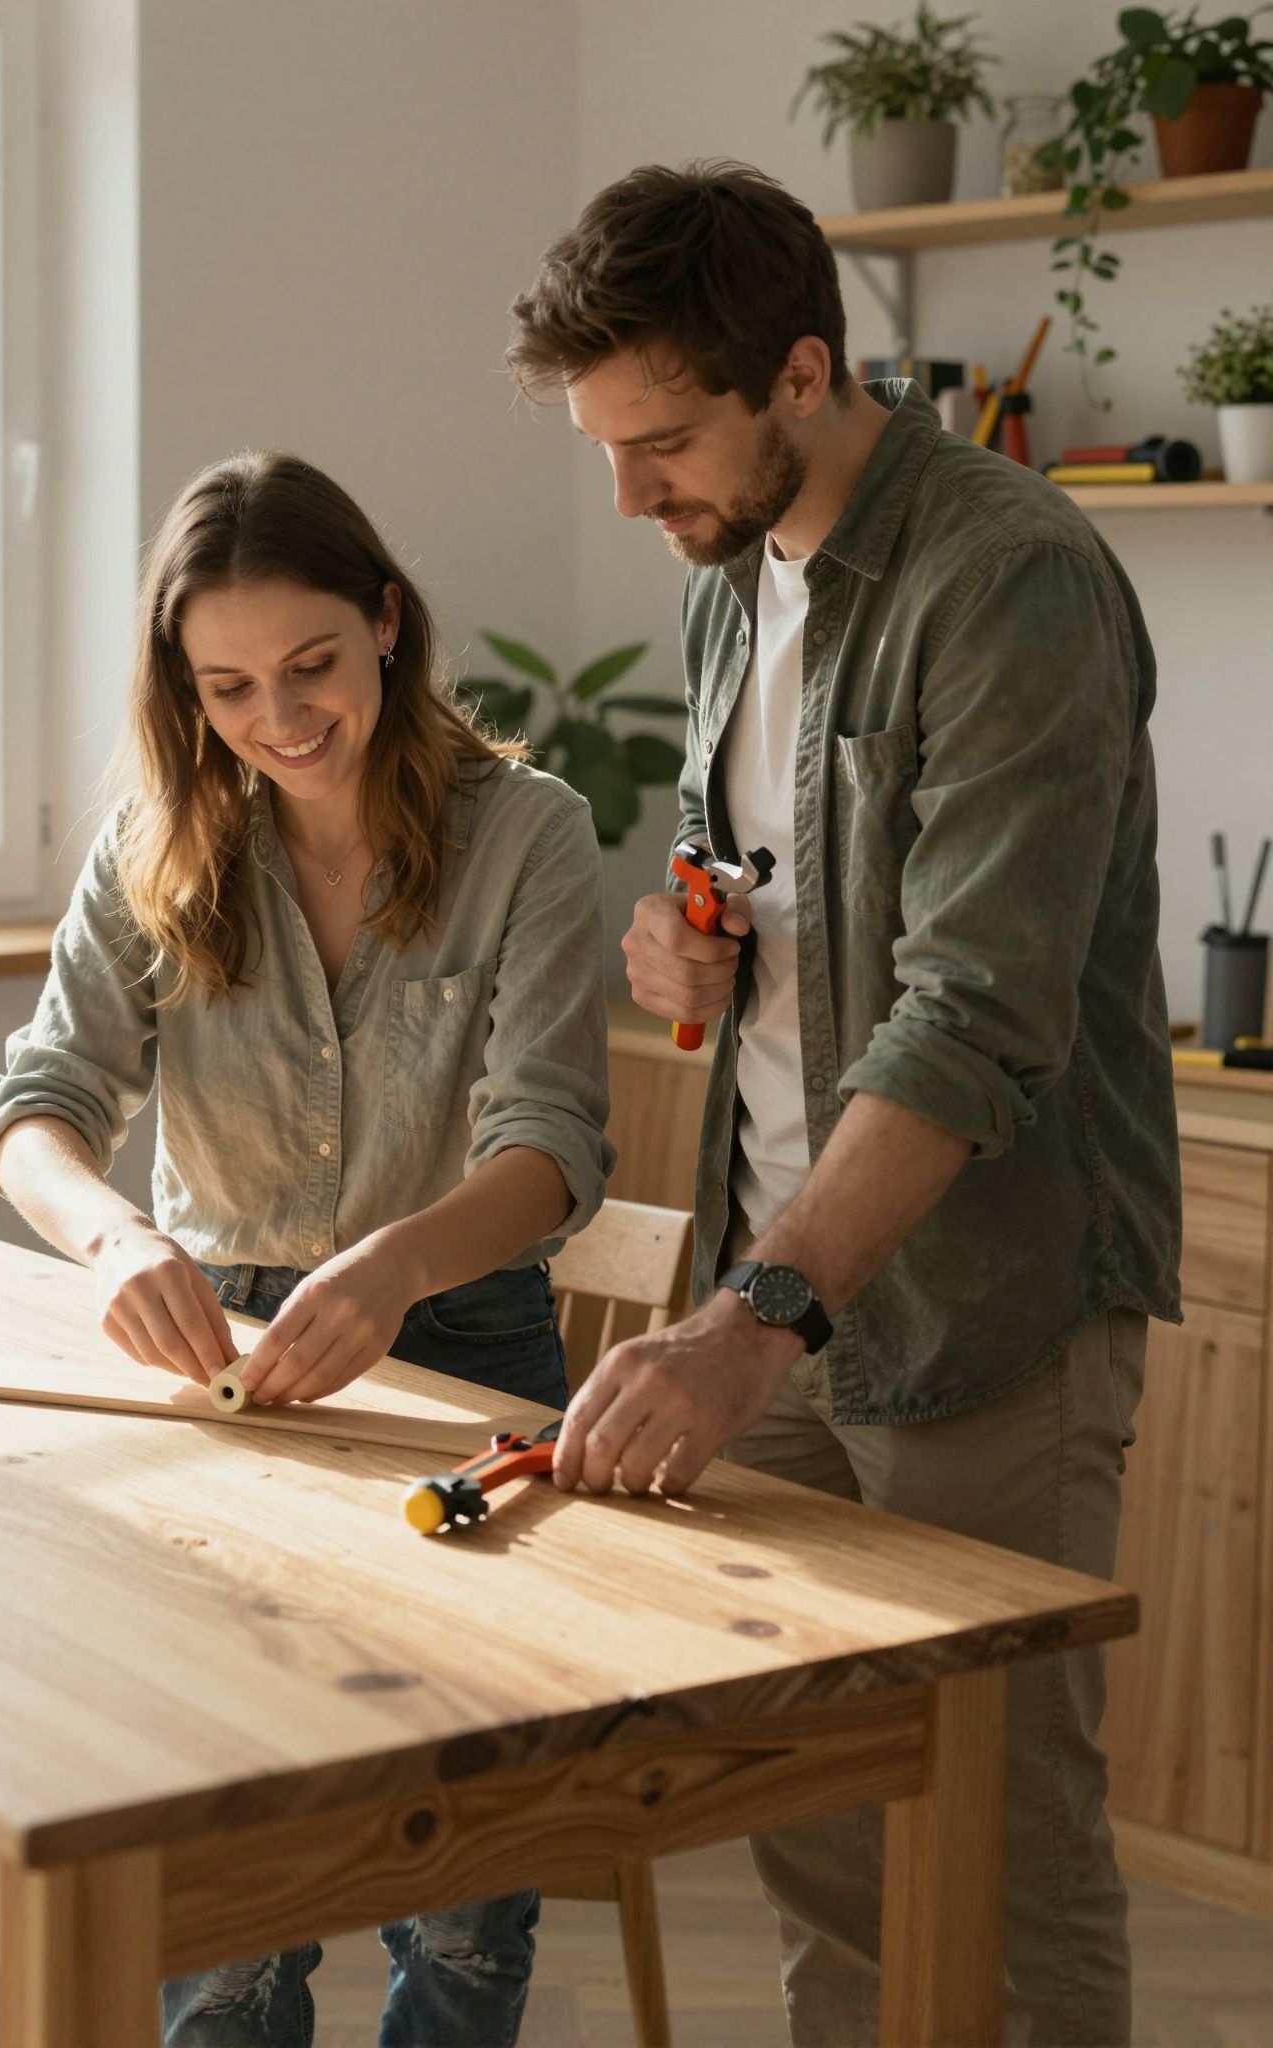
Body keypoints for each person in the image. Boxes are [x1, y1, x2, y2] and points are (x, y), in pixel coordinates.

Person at [506, 159, 1181, 2048]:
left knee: (1002, 1845)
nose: (633, 497)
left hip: (976, 1314)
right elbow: (782, 890)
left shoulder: (1012, 577)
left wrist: (749, 1323)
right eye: (607, 448)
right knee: (815, 1826)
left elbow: (973, 1013)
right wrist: (691, 943)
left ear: (802, 372)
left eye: (663, 443)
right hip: (775, 1288)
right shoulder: (742, 579)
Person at [0, 449, 614, 2048]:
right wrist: (113, 1231)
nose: (282, 716)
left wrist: (397, 1265)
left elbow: (553, 1151)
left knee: (465, 1902)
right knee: (230, 1915)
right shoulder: (158, 840)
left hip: (466, 1365)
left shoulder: (527, 831)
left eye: (315, 664)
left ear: (387, 622)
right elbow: (36, 1107)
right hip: (223, 1373)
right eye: (230, 684)